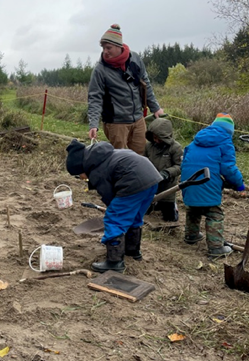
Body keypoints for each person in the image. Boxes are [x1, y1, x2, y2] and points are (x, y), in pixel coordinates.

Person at [66, 139, 163, 273]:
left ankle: (114, 261)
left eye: (79, 175)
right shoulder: (104, 156)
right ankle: (132, 251)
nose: (81, 178)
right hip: (152, 178)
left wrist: (113, 211)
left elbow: (109, 196)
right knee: (134, 216)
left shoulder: (96, 170)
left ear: (80, 167)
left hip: (133, 182)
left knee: (114, 219)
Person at [87, 24, 164, 155]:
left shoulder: (135, 59)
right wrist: (93, 124)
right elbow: (95, 98)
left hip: (138, 119)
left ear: (119, 46)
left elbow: (146, 85)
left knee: (142, 157)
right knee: (119, 159)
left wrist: (155, 108)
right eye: (103, 48)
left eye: (108, 48)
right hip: (116, 123)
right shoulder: (100, 70)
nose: (105, 51)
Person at [180, 113, 245, 257]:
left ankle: (191, 236)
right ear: (230, 131)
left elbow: (184, 161)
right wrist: (239, 185)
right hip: (206, 180)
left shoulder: (195, 140)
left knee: (193, 209)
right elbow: (228, 168)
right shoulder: (225, 143)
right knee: (214, 213)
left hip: (188, 180)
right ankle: (216, 247)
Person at [144, 117, 183, 221]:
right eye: (154, 137)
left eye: (158, 138)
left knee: (170, 218)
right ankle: (153, 205)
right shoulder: (148, 146)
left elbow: (180, 166)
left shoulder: (176, 148)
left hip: (167, 187)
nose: (156, 140)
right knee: (144, 212)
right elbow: (142, 161)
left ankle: (172, 207)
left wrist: (167, 173)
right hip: (150, 185)